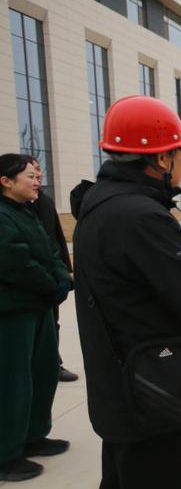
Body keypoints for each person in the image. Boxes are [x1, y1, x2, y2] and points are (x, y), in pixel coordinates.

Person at [72, 96, 181, 488]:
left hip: (124, 386)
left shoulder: (100, 206)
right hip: (155, 390)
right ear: (162, 159)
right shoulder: (141, 216)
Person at [0, 154, 72, 483]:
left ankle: (33, 435)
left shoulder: (25, 210)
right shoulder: (3, 216)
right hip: (14, 312)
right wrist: (51, 284)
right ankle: (6, 453)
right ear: (6, 181)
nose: (36, 179)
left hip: (39, 306)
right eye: (29, 175)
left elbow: (50, 249)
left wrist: (61, 277)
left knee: (43, 371)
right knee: (13, 381)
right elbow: (16, 261)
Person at [26, 157, 79, 382]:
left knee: (51, 323)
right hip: (28, 279)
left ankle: (53, 364)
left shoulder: (45, 201)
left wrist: (63, 272)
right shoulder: (11, 208)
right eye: (31, 173)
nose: (38, 175)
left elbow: (55, 239)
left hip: (50, 276)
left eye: (38, 170)